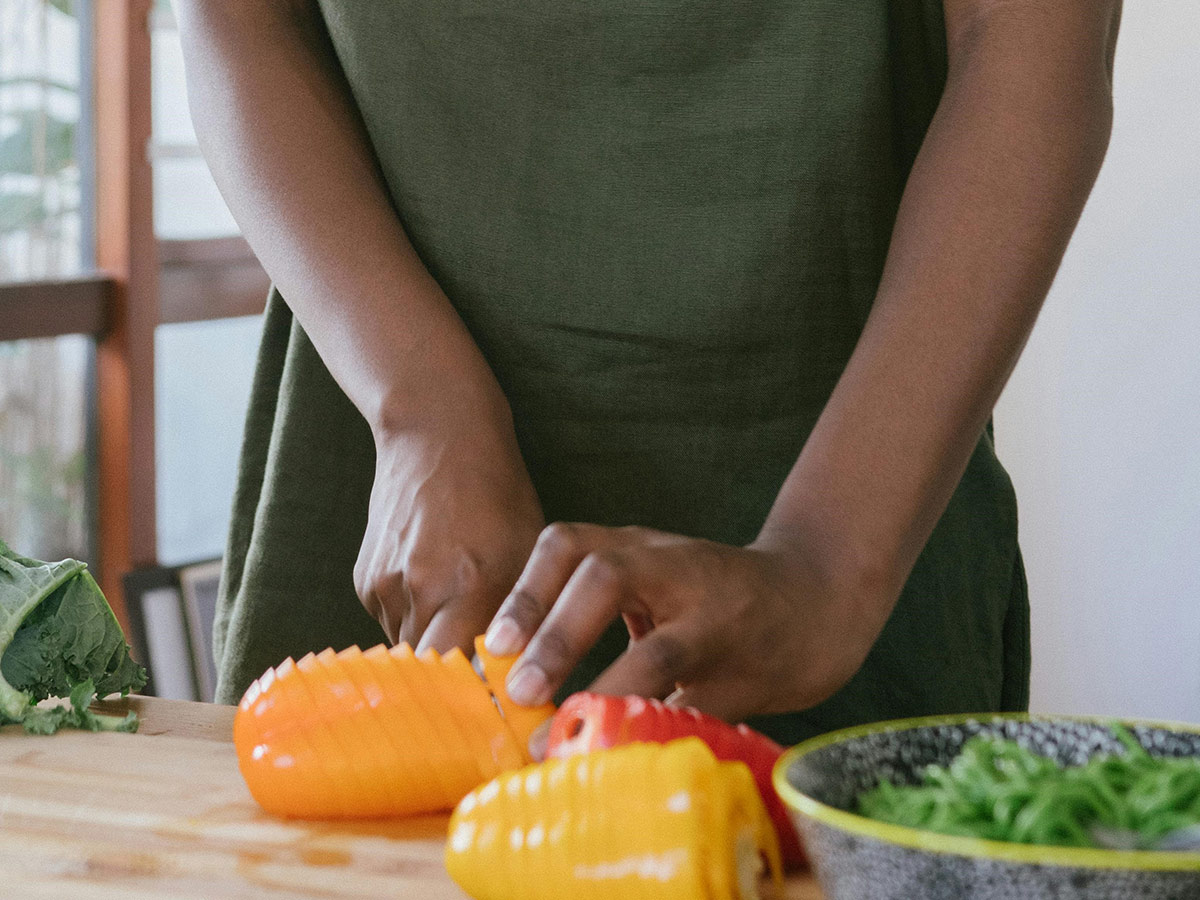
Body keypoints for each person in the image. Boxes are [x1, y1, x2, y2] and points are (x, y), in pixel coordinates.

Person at [178, 0, 1121, 748]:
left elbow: (1025, 30)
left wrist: (829, 564)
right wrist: (419, 409)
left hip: (856, 487)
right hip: (389, 465)